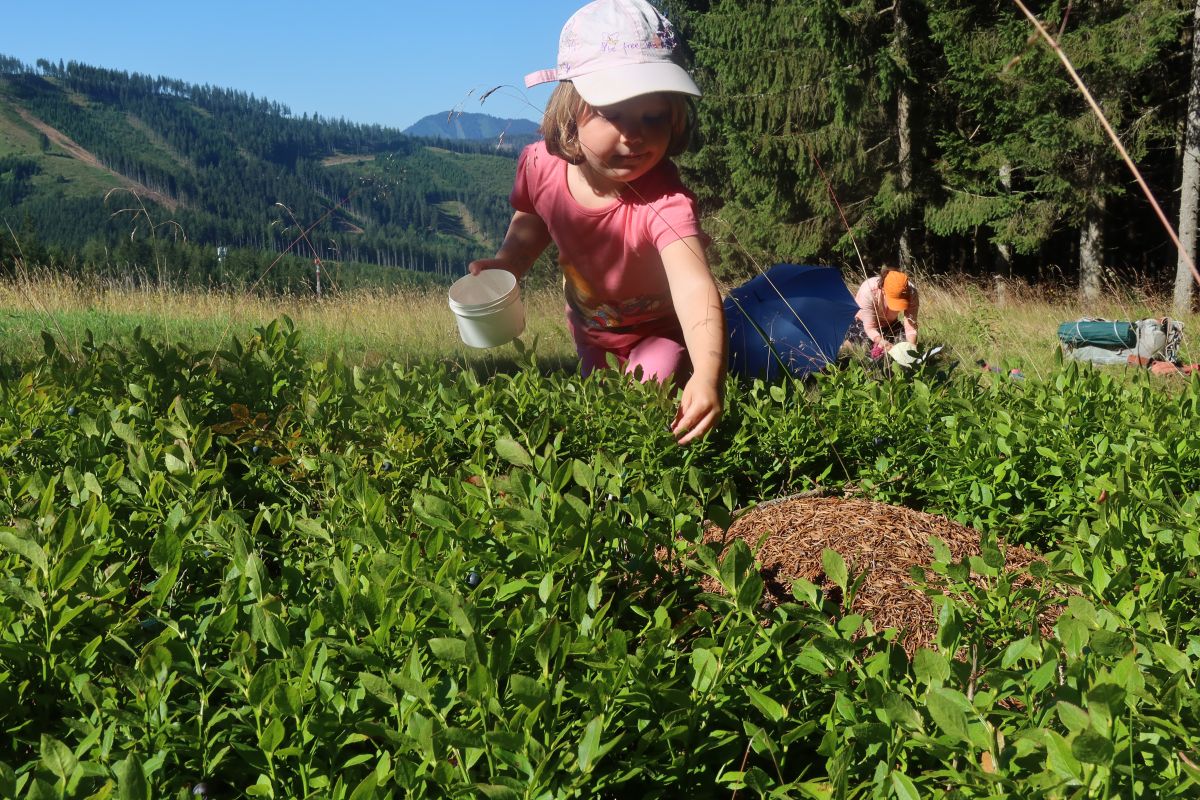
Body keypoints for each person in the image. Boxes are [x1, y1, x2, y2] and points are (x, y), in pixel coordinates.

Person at [468, 0, 725, 445]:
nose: (634, 133)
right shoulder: (539, 166)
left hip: (659, 333)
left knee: (647, 397)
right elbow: (533, 219)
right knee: (600, 413)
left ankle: (659, 477)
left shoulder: (664, 201)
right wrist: (510, 264)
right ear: (571, 111)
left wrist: (708, 373)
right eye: (613, 112)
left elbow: (693, 287)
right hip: (591, 334)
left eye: (653, 117)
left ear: (675, 118)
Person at [846, 267, 920, 359]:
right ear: (883, 290)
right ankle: (847, 344)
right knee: (868, 346)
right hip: (863, 323)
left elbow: (910, 326)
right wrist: (880, 340)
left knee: (903, 344)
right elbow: (869, 327)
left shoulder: (912, 292)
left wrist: (912, 348)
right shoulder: (869, 291)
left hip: (889, 323)